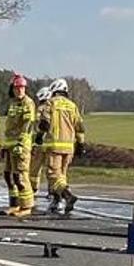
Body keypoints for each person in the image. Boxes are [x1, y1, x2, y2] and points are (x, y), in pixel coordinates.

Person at [40, 78, 86, 217]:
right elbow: (80, 127)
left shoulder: (51, 102)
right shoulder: (72, 106)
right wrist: (81, 144)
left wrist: (39, 135)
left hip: (54, 146)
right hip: (69, 147)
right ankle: (59, 201)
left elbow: (44, 122)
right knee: (62, 176)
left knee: (53, 175)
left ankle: (68, 196)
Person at [0, 74, 38, 217]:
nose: (20, 90)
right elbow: (10, 126)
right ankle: (14, 204)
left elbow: (28, 126)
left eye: (22, 87)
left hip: (21, 146)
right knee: (9, 175)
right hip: (10, 145)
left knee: (21, 176)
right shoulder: (13, 104)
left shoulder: (28, 103)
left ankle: (26, 206)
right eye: (17, 88)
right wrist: (5, 146)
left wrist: (21, 144)